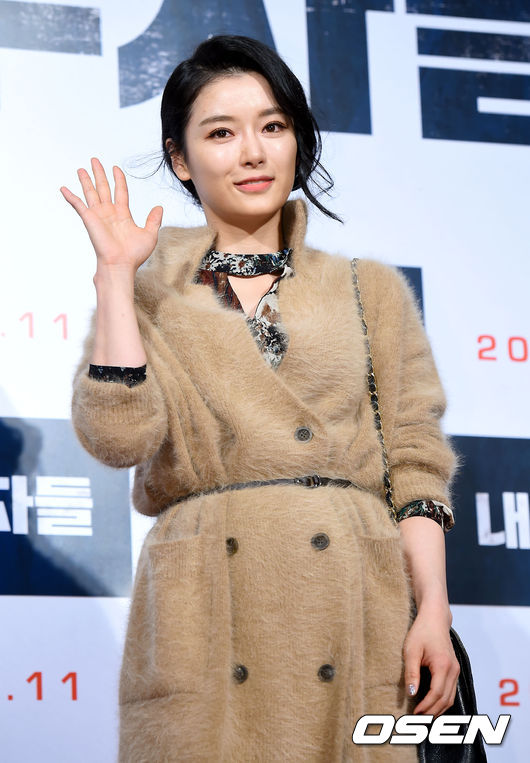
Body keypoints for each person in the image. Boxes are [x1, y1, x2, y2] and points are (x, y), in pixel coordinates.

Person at [61, 34, 460, 762]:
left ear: (298, 140)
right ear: (181, 159)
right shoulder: (150, 288)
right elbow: (118, 438)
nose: (252, 152)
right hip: (207, 612)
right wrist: (115, 278)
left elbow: (414, 465)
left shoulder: (369, 290)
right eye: (221, 133)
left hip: (352, 605)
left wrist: (432, 603)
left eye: (273, 126)